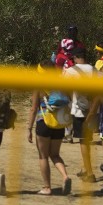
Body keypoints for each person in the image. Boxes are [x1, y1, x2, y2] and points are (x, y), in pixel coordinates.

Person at [27, 61, 73, 196]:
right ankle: (65, 176)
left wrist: (29, 128)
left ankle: (47, 187)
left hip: (44, 122)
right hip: (59, 123)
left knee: (43, 156)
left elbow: (34, 108)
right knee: (55, 154)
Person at [65, 48, 98, 182]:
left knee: (83, 142)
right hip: (92, 109)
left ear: (75, 58)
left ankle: (89, 173)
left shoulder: (71, 71)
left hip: (79, 110)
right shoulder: (94, 69)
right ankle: (85, 168)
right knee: (87, 140)